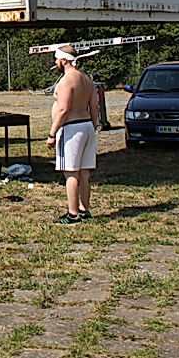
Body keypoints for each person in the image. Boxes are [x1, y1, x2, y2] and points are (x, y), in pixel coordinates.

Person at [45, 44, 101, 225]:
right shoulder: (86, 79)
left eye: (56, 60)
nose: (56, 63)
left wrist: (52, 133)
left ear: (63, 60)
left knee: (71, 173)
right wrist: (92, 126)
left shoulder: (67, 80)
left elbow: (63, 108)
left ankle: (72, 213)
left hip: (71, 128)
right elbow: (95, 106)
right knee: (84, 172)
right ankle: (84, 209)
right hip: (86, 126)